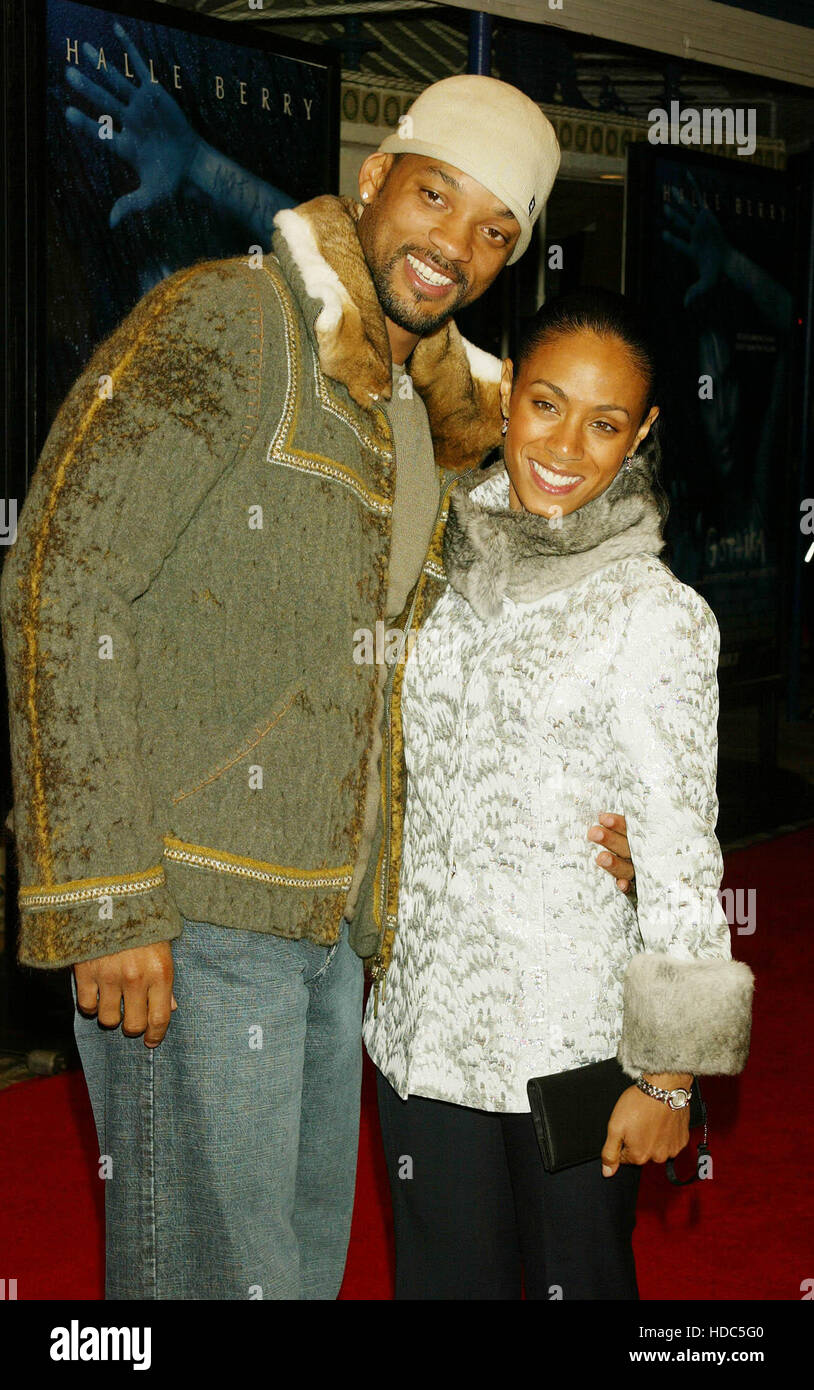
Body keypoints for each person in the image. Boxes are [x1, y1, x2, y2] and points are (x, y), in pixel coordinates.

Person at [0, 76, 637, 1301]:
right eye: (435, 195)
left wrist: (609, 822)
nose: (453, 245)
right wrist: (106, 894)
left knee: (288, 1275)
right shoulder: (228, 322)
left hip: (334, 930)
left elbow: (520, 653)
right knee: (205, 1275)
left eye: (495, 229)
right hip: (187, 909)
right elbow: (60, 584)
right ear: (375, 179)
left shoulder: (442, 422)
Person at [363, 288, 755, 1301]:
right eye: (546, 403)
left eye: (605, 422)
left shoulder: (653, 615)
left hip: (572, 1052)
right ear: (505, 399)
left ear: (642, 436)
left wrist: (669, 1074)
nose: (566, 446)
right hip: (423, 1040)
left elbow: (679, 854)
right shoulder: (436, 567)